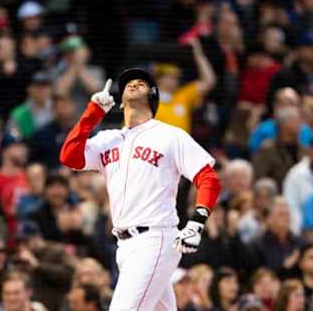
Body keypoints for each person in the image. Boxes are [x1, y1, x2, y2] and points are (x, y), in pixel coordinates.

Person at [59, 69, 221, 310]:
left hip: (155, 238)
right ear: (121, 99)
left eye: (141, 82)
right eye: (128, 83)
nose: (133, 84)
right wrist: (92, 113)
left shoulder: (169, 135)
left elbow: (208, 177)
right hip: (124, 246)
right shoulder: (108, 139)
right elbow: (69, 157)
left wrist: (197, 221)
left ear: (153, 95)